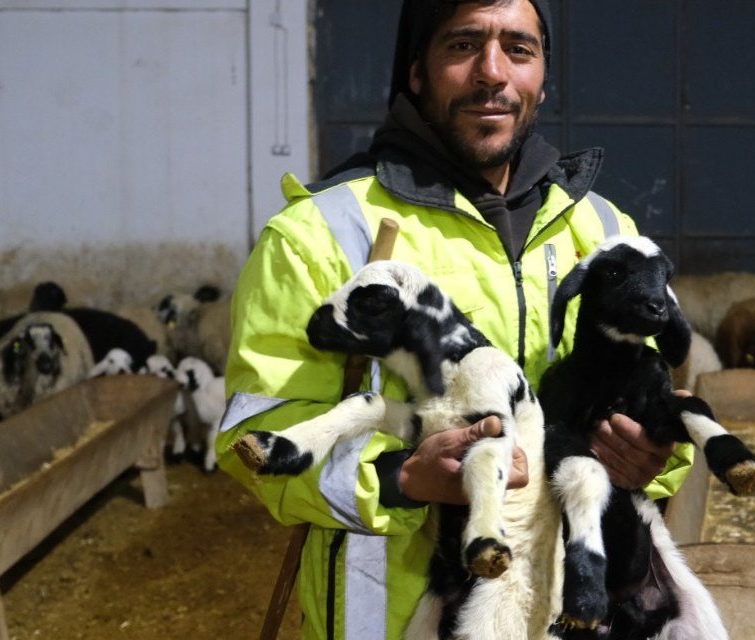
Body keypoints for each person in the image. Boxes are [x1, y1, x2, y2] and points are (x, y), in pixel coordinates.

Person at [217, 1, 694, 638]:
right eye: (463, 45)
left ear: (543, 77)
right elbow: (255, 434)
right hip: (393, 618)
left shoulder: (605, 234)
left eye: (518, 50)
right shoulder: (325, 237)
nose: (491, 72)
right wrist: (403, 477)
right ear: (416, 71)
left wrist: (651, 453)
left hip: (569, 612)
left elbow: (655, 401)